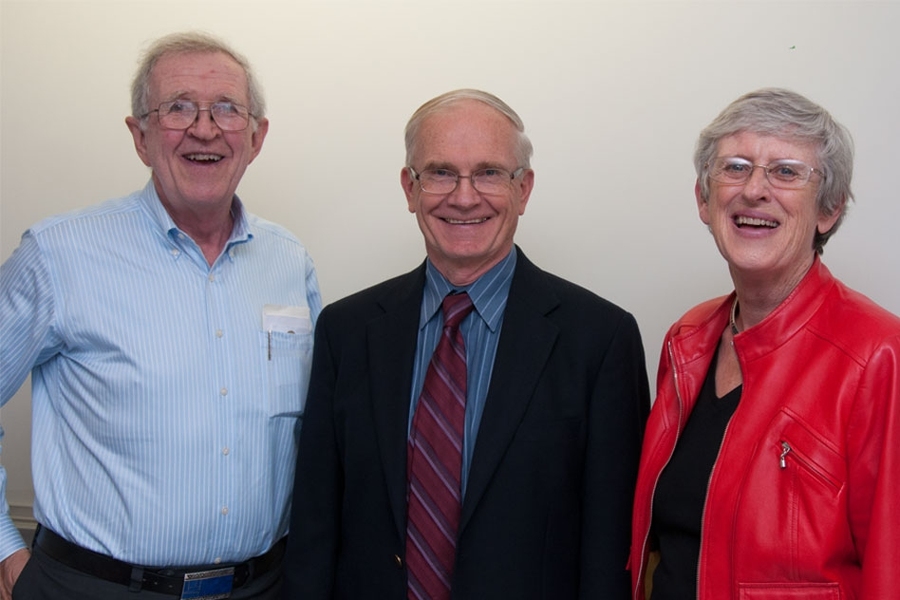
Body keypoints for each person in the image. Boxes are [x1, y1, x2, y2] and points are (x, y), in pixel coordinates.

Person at [281, 88, 650, 600]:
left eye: (489, 173)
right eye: (440, 172)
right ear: (410, 189)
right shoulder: (347, 331)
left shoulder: (600, 340)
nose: (464, 196)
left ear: (524, 189)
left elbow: (611, 548)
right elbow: (315, 527)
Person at [0, 31, 321, 599]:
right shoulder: (58, 255)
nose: (205, 128)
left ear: (256, 136)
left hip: (265, 587)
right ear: (140, 135)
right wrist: (6, 550)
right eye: (178, 108)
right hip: (91, 588)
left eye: (227, 109)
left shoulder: (289, 261)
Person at [629, 88, 900, 599]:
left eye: (787, 171)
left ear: (829, 208)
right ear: (704, 201)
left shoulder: (880, 354)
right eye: (735, 167)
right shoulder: (686, 340)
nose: (755, 190)